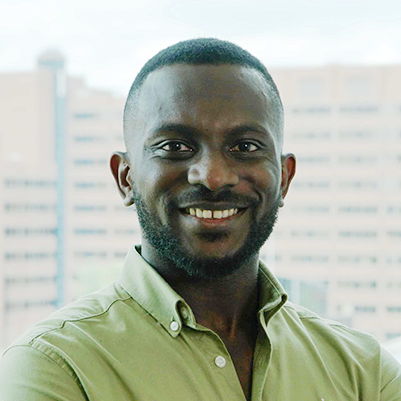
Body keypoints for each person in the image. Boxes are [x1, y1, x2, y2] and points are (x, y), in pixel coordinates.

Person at [1, 38, 400, 401]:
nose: (213, 176)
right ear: (125, 178)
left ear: (284, 177)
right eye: (175, 146)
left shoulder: (366, 373)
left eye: (245, 146)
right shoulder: (54, 367)